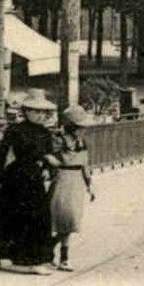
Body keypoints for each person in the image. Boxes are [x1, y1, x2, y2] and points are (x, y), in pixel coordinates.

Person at [0, 90, 58, 274]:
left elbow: (49, 154)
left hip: (35, 177)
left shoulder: (45, 133)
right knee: (8, 215)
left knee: (37, 217)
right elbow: (3, 152)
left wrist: (48, 169)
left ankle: (34, 259)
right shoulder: (15, 130)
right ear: (27, 111)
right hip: (16, 176)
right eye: (36, 111)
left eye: (43, 112)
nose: (40, 115)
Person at [49, 106, 96, 271]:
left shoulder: (82, 142)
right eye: (78, 127)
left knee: (72, 220)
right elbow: (52, 158)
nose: (80, 130)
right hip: (63, 177)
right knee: (62, 217)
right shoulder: (58, 139)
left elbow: (85, 163)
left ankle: (62, 257)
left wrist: (90, 184)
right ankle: (51, 251)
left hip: (77, 182)